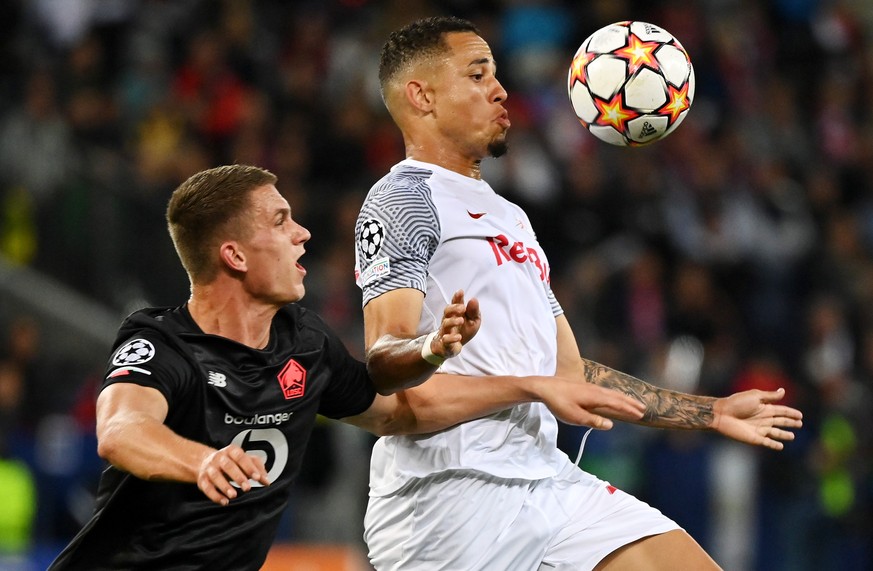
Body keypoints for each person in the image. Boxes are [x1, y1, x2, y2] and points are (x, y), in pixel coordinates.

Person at [354, 16, 804, 570]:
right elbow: (382, 367)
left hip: (547, 481)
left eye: (495, 74)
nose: (500, 90)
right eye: (477, 76)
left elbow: (570, 373)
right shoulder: (401, 200)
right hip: (448, 501)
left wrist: (708, 412)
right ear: (420, 96)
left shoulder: (511, 216)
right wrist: (439, 353)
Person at [47, 164, 644, 571]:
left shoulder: (304, 342)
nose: (303, 234)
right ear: (232, 255)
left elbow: (402, 412)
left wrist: (522, 382)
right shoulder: (162, 341)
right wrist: (202, 459)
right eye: (280, 222)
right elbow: (122, 430)